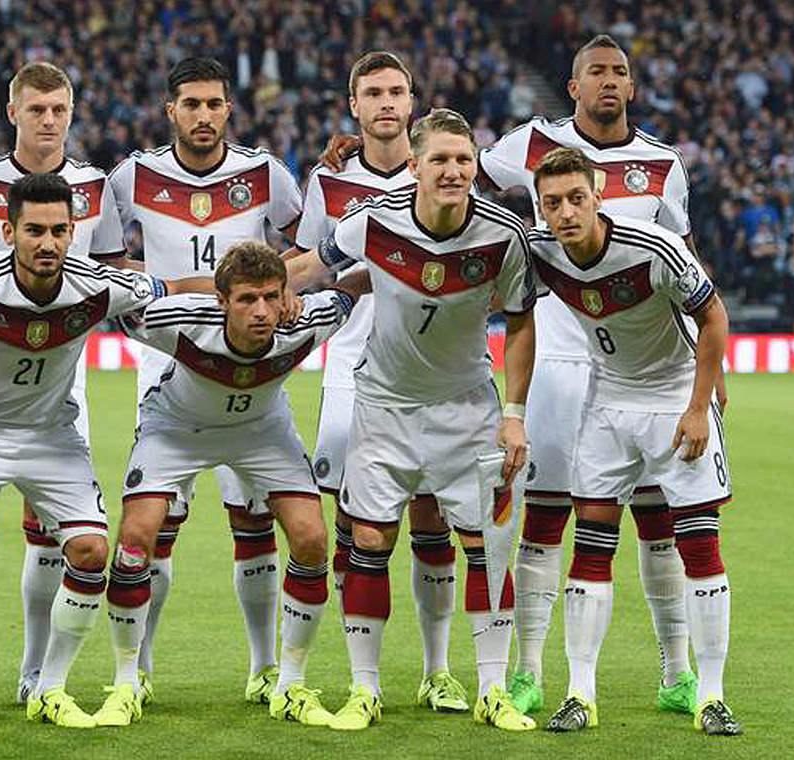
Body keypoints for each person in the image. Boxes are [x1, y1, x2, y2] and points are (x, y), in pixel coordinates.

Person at [0, 172, 213, 729]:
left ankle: (49, 686)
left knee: (92, 554)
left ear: (74, 232)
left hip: (52, 435)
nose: (47, 243)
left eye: (58, 230)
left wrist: (242, 282)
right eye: (34, 231)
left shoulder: (96, 285)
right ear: (8, 231)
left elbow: (171, 289)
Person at [475, 34, 710, 715]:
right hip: (554, 354)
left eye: (620, 73)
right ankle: (528, 673)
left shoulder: (662, 164)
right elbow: (459, 185)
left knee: (656, 517)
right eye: (595, 73)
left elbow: (686, 259)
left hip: (642, 370)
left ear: (632, 88)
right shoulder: (526, 145)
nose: (609, 81)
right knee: (545, 516)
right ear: (572, 87)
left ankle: (676, 673)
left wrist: (703, 367)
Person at [287, 109, 537, 732]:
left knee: (484, 548)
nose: (454, 171)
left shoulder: (503, 234)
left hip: (468, 410)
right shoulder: (372, 219)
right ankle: (364, 689)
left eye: (464, 160)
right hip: (384, 407)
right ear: (416, 166)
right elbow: (310, 266)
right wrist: (241, 288)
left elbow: (522, 318)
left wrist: (514, 415)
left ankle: (492, 689)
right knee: (368, 541)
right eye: (441, 160)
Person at [93, 241, 364, 727]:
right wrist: (178, 285)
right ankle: (126, 681)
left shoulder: (308, 319)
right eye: (245, 299)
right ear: (222, 302)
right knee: (134, 540)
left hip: (262, 431)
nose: (261, 311)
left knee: (312, 537)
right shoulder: (178, 323)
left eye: (270, 297)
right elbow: (124, 303)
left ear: (286, 297)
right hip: (177, 429)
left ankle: (290, 684)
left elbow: (353, 286)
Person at [106, 56, 304, 703]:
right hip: (168, 370)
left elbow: (307, 251)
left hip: (248, 370)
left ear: (228, 109)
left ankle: (263, 667)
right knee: (156, 529)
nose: (202, 115)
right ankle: (139, 670)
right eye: (190, 104)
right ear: (170, 110)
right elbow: (109, 268)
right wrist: (181, 289)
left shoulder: (265, 174)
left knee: (253, 521)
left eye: (213, 104)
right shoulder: (132, 177)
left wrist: (285, 293)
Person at [527, 147, 741, 736]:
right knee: (592, 544)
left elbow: (714, 316)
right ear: (540, 210)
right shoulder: (541, 253)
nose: (566, 212)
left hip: (674, 402)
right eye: (553, 203)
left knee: (698, 547)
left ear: (598, 196)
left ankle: (712, 695)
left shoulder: (654, 247)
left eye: (576, 198)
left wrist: (699, 408)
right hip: (605, 404)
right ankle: (579, 692)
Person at [0, 61, 126, 705]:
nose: (49, 122)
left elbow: (117, 278)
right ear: (12, 112)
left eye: (59, 111)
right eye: (37, 110)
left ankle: (37, 673)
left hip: (58, 391)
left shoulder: (97, 186)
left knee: (55, 536)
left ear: (72, 114)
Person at [297, 51, 472, 713]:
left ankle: (437, 670)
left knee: (431, 520)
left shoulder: (444, 172)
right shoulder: (329, 181)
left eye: (397, 90)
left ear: (413, 101)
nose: (387, 103)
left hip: (430, 369)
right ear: (356, 105)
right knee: (353, 524)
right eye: (373, 92)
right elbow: (311, 263)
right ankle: (358, 677)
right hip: (350, 366)